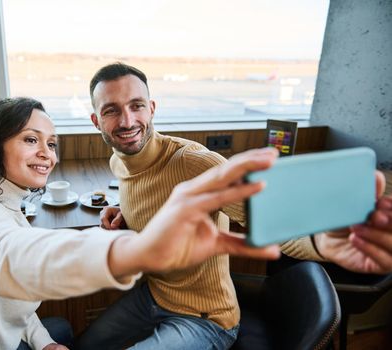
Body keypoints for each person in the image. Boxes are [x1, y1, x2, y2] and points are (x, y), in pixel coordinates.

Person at [0, 97, 283, 350]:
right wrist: (137, 248)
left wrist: (42, 340)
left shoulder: (4, 207)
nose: (46, 155)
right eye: (30, 140)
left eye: (51, 144)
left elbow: (6, 294)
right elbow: (15, 261)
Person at [77, 62, 392, 350]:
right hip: (155, 294)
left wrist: (324, 243)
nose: (127, 121)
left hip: (206, 318)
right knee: (86, 344)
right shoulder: (120, 160)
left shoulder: (195, 164)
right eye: (112, 111)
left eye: (136, 106)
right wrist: (124, 209)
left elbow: (274, 224)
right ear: (96, 121)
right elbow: (150, 190)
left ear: (152, 109)